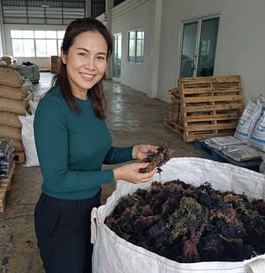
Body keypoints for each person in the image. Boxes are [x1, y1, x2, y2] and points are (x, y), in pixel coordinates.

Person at [33, 17, 158, 273]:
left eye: (100, 57)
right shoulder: (51, 109)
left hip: (91, 206)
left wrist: (133, 151)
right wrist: (117, 174)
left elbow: (99, 152)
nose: (91, 66)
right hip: (61, 215)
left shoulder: (93, 99)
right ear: (65, 55)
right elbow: (56, 180)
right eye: (82, 54)